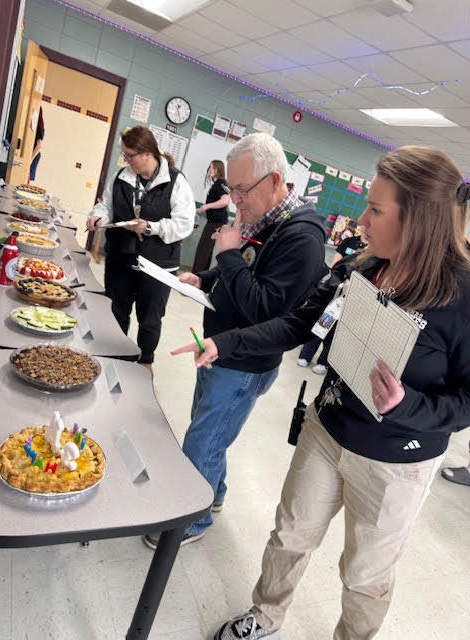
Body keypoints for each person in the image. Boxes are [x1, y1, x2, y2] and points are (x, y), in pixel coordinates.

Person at [172, 146, 470, 639]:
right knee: (290, 535)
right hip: (327, 430)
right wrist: (223, 344)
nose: (361, 219)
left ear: (418, 219)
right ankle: (265, 616)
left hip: (396, 461)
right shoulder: (361, 267)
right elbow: (296, 324)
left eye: (375, 209)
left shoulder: (461, 296)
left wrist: (408, 405)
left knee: (364, 577)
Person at [143, 132, 327, 549]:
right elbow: (244, 272)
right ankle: (215, 494)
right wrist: (204, 276)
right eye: (232, 189)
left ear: (276, 180)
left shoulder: (302, 238)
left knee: (204, 437)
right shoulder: (265, 217)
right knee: (213, 430)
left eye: (242, 190)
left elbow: (265, 309)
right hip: (222, 346)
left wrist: (225, 254)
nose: (236, 200)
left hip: (244, 361)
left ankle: (192, 519)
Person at [87, 125, 195, 372]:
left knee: (150, 317)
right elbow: (107, 207)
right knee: (116, 309)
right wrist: (97, 216)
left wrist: (151, 228)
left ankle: (145, 361)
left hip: (159, 264)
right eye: (124, 154)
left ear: (147, 153)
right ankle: (114, 356)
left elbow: (184, 225)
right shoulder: (120, 177)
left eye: (129, 155)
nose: (125, 160)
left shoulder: (176, 182)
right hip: (121, 258)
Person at [297, 231, 367, 372]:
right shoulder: (349, 242)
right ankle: (306, 355)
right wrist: (338, 280)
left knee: (336, 331)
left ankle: (323, 362)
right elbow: (337, 264)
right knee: (323, 321)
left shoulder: (374, 250)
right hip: (337, 291)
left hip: (355, 296)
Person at [192, 160, 230, 272]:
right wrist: (197, 210)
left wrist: (207, 206)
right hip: (214, 221)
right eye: (209, 167)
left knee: (203, 249)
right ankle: (202, 279)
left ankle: (196, 277)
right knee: (206, 250)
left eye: (212, 167)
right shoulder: (216, 185)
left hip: (216, 223)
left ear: (218, 169)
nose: (210, 170)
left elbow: (225, 201)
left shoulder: (221, 183)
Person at [29, 107, 44, 183]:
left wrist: (30, 159)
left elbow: (39, 146)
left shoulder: (39, 127)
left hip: (34, 155)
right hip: (34, 154)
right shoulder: (34, 124)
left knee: (26, 178)